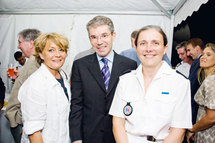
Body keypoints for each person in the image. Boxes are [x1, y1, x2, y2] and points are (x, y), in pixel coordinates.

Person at [109, 25, 192, 143]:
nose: (149, 49)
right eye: (143, 43)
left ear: (165, 48)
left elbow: (178, 131)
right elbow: (117, 123)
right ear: (136, 48)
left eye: (155, 43)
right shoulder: (125, 80)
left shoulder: (180, 83)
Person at [69, 15, 137, 143]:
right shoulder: (80, 65)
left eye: (104, 35)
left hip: (120, 136)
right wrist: (76, 138)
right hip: (89, 136)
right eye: (94, 37)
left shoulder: (130, 65)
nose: (99, 42)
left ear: (113, 35)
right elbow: (76, 105)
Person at [18, 32, 71, 143]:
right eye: (51, 50)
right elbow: (34, 132)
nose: (57, 54)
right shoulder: (35, 84)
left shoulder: (63, 77)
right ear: (41, 54)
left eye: (61, 50)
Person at [5, 28, 41, 143]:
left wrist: (20, 119)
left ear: (31, 43)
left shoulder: (35, 62)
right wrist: (18, 77)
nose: (18, 46)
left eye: (20, 42)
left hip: (21, 121)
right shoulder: (31, 61)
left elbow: (35, 96)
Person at [186, 43, 215, 143]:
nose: (203, 57)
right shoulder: (208, 79)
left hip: (209, 135)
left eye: (209, 55)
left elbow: (211, 118)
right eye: (203, 54)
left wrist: (192, 129)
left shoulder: (212, 81)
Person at [186, 38, 205, 125]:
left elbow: (191, 84)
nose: (188, 54)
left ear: (197, 48)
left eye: (189, 50)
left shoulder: (197, 62)